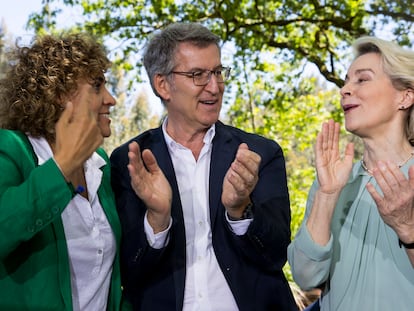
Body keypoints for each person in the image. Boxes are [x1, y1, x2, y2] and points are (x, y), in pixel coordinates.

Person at [110, 22, 297, 310]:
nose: (215, 87)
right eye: (198, 75)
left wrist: (240, 210)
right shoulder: (131, 161)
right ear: (163, 85)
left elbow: (275, 255)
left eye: (218, 72)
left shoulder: (258, 154)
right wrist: (157, 220)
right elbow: (130, 272)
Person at [288, 36, 414, 311]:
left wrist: (408, 228)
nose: (345, 89)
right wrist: (327, 195)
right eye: (346, 81)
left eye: (362, 79)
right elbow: (306, 277)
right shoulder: (332, 183)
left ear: (405, 96)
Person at [0, 32, 122, 310]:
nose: (111, 99)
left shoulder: (101, 165)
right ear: (60, 94)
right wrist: (62, 167)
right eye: (97, 86)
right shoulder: (9, 149)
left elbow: (114, 278)